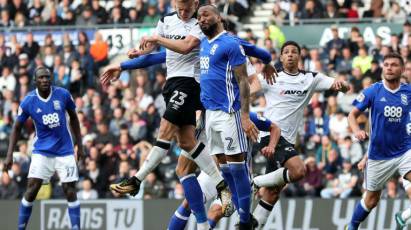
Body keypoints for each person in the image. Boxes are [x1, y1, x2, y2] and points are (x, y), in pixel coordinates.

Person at [108, 1, 230, 229]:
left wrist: (156, 40)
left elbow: (185, 47)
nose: (184, 13)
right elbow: (157, 55)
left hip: (190, 84)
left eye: (187, 8)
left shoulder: (199, 23)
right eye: (180, 8)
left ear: (195, 4)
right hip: (171, 85)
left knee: (166, 129)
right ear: (174, 3)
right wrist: (131, 59)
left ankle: (137, 179)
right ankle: (221, 185)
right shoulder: (165, 21)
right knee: (186, 141)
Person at [250, 40, 349, 228]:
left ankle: (250, 226)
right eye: (286, 52)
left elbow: (342, 86)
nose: (289, 54)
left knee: (272, 192)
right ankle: (254, 182)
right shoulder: (271, 76)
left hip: (288, 139)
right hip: (269, 135)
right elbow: (248, 89)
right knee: (298, 171)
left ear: (299, 56)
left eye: (294, 52)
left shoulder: (311, 78)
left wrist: (341, 85)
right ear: (280, 57)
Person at [196, 5, 260, 229]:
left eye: (206, 15)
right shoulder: (204, 44)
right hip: (210, 115)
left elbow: (243, 81)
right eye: (199, 17)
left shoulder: (230, 43)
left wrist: (244, 116)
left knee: (237, 167)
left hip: (229, 113)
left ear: (218, 17)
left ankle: (244, 220)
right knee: (223, 168)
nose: (201, 19)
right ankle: (241, 210)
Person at [168, 112, 281, 230]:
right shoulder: (205, 116)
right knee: (189, 202)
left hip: (237, 179)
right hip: (213, 174)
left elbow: (275, 128)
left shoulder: (245, 116)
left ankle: (252, 187)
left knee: (215, 212)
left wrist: (272, 146)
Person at [3, 67, 84, 230]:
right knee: (32, 189)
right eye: (41, 78)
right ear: (35, 81)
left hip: (65, 149)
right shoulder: (28, 100)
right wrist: (9, 154)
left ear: (51, 79)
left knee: (70, 190)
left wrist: (79, 145)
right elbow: (16, 127)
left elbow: (74, 119)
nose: (45, 80)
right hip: (42, 150)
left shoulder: (63, 94)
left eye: (47, 77)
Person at [344, 53, 411, 230]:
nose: (389, 68)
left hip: (405, 151)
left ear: (402, 69)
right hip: (378, 155)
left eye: (394, 65)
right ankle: (352, 226)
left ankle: (404, 217)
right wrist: (357, 130)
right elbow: (352, 115)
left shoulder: (408, 92)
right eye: (386, 64)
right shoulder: (373, 90)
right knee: (372, 199)